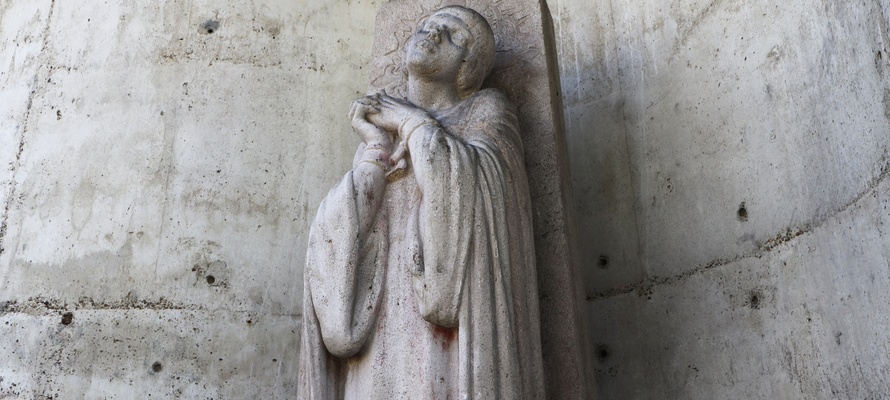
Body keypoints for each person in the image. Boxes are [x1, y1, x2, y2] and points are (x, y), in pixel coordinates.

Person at [299, 6, 545, 399]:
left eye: (453, 34)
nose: (432, 33)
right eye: (426, 27)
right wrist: (375, 151)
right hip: (379, 323)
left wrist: (413, 123)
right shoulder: (381, 133)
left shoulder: (486, 110)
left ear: (468, 65)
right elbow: (338, 236)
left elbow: (487, 193)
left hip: (445, 332)